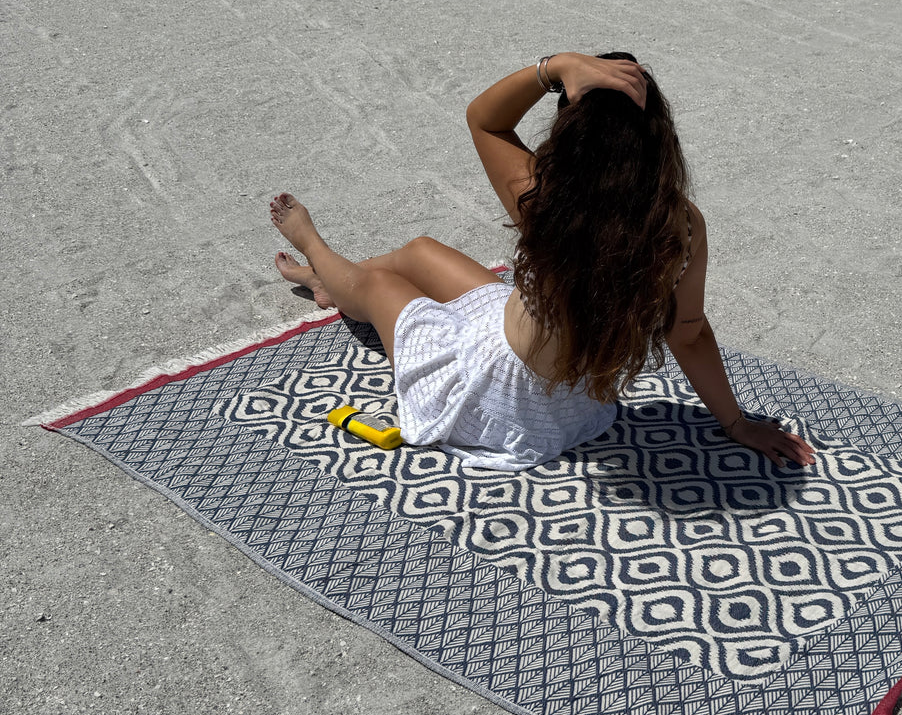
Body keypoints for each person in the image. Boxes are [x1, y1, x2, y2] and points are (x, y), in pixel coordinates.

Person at [270, 51, 815, 472]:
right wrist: (736, 423)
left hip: (495, 396)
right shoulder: (681, 223)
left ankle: (318, 258)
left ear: (569, 134)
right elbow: (689, 334)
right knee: (421, 253)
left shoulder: (549, 202)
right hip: (573, 405)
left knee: (378, 282)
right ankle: (332, 284)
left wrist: (555, 66)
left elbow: (483, 120)